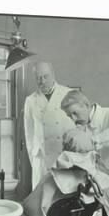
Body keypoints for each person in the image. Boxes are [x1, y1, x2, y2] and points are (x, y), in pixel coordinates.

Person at [23, 61, 75, 189]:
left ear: (53, 74)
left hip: (63, 155)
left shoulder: (68, 93)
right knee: (42, 197)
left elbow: (77, 127)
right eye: (38, 78)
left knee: (64, 195)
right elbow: (29, 133)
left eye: (46, 76)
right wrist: (34, 157)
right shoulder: (30, 100)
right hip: (41, 158)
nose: (42, 81)